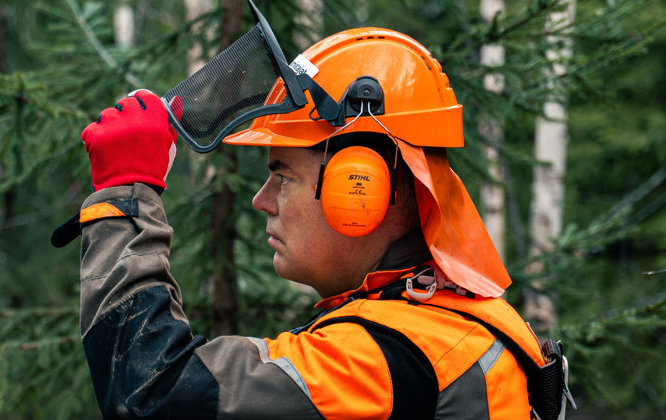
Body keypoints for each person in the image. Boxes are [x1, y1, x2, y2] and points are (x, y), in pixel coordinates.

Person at [75, 27, 565, 420]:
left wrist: (126, 197)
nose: (260, 200)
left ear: (363, 186)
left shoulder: (379, 362)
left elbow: (151, 394)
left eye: (282, 176)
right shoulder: (459, 321)